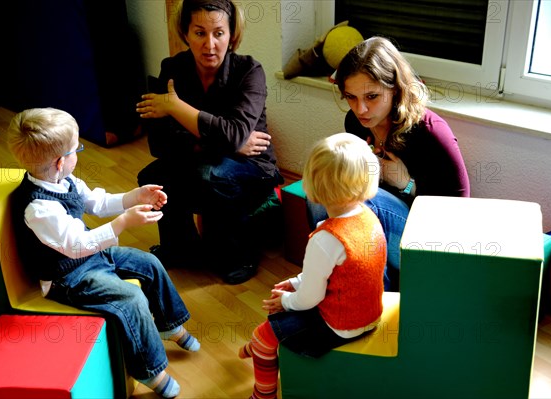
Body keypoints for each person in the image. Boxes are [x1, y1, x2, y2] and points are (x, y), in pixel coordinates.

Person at [7, 107, 200, 399]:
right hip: (67, 278)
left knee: (148, 262)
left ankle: (168, 324)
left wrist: (136, 196)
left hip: (93, 256)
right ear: (60, 162)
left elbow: (97, 203)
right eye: (77, 149)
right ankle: (150, 370)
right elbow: (75, 246)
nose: (79, 153)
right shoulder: (39, 207)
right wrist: (123, 223)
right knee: (130, 297)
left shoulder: (66, 181)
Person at [136, 0, 283, 285]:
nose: (210, 44)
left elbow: (234, 134)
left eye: (219, 33)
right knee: (153, 176)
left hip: (252, 165)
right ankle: (181, 249)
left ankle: (239, 255)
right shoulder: (172, 69)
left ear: (232, 35)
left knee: (213, 175)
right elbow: (160, 142)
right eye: (199, 33)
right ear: (186, 33)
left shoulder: (250, 71)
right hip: (205, 158)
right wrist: (228, 141)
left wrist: (176, 108)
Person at [308, 36, 470, 291]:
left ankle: (371, 293)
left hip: (428, 240)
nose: (360, 109)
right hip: (380, 233)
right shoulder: (355, 123)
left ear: (394, 89)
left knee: (357, 200)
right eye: (351, 97)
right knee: (321, 191)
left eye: (372, 96)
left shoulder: (430, 132)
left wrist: (407, 186)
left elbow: (457, 211)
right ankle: (334, 280)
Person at [239, 133, 386, 399]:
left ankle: (263, 392)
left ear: (312, 184)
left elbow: (310, 299)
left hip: (338, 327)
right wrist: (296, 283)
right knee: (281, 311)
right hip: (370, 314)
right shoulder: (369, 217)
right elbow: (343, 272)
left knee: (263, 335)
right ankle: (265, 349)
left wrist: (287, 301)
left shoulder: (326, 238)